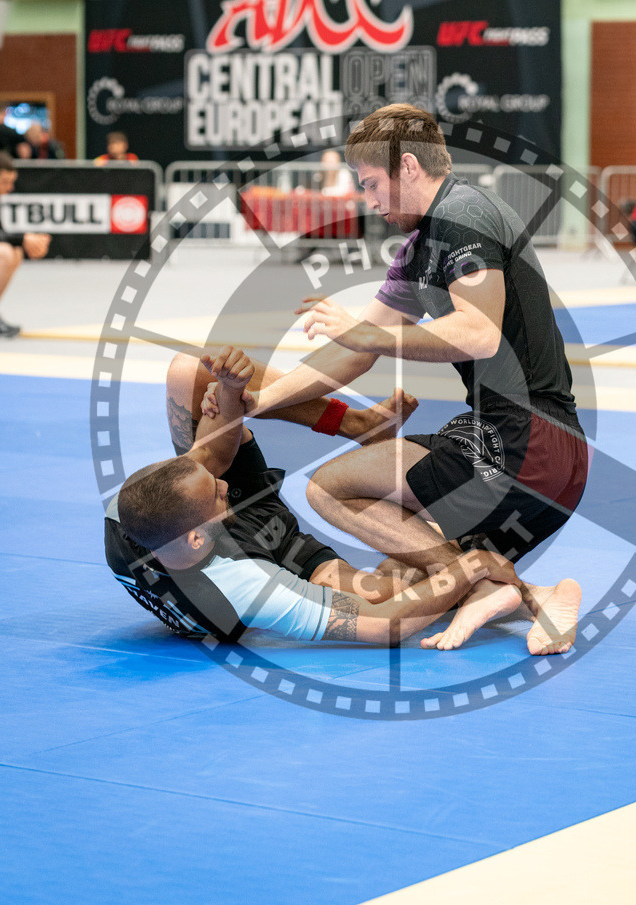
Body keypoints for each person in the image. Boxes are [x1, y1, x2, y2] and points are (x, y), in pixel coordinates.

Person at [213, 104, 585, 653]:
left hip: (527, 443)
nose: (369, 201)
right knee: (403, 577)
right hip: (538, 456)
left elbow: (478, 333)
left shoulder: (463, 215)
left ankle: (485, 581)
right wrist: (263, 400)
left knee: (329, 488)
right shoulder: (418, 250)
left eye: (370, 184)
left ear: (408, 166)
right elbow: (353, 353)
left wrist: (371, 338)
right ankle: (540, 594)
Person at [106, 345, 534, 649]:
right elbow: (383, 628)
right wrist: (469, 567)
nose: (223, 482)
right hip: (275, 558)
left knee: (191, 372)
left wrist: (233, 389)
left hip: (214, 533)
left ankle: (354, 424)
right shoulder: (247, 587)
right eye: (218, 494)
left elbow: (213, 453)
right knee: (379, 594)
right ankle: (470, 571)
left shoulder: (132, 508)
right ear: (198, 538)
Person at [0, 151, 50, 337]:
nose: (10, 187)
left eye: (11, 182)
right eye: (5, 181)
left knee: (14, 253)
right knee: (5, 253)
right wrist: (23, 239)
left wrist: (25, 244)